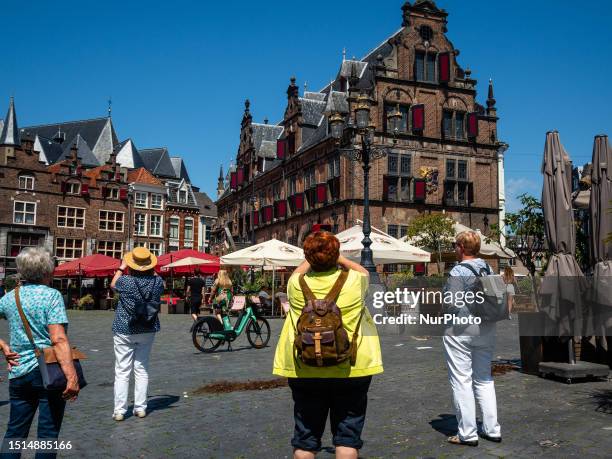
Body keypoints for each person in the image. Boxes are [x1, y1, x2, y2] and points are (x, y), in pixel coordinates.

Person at [273, 231, 383, 459]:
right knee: (347, 438)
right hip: (351, 367)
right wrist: (338, 257)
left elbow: (297, 271)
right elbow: (363, 270)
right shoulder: (355, 280)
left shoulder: (295, 283)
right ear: (335, 254)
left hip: (304, 368)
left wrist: (314, 255)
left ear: (308, 256)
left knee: (305, 439)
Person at [0, 247, 79, 458]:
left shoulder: (10, 297)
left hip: (18, 371)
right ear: (47, 271)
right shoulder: (52, 296)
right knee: (48, 434)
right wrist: (71, 376)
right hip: (49, 371)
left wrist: (3, 346)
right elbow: (59, 339)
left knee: (15, 433)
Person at [443, 231, 501, 447]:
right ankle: (492, 429)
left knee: (461, 380)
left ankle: (468, 433)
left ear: (460, 247)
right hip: (487, 327)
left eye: (454, 245)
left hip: (462, 329)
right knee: (484, 379)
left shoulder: (459, 270)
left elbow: (452, 302)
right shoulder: (488, 267)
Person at [110, 247, 163, 421]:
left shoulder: (126, 281)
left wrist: (121, 267)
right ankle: (140, 408)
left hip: (125, 327)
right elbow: (157, 279)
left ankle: (119, 410)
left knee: (122, 370)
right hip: (147, 328)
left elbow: (112, 284)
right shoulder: (158, 282)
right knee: (141, 368)